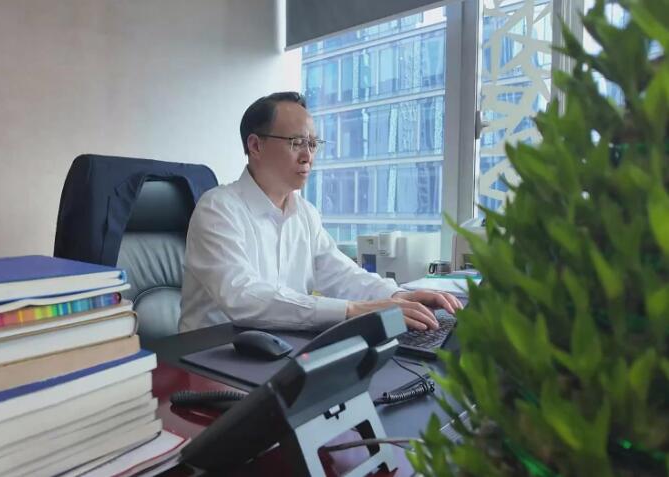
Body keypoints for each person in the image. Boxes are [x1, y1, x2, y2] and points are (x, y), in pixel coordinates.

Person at [179, 92, 462, 333]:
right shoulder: (218, 209)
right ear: (255, 146)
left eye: (312, 144)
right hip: (210, 354)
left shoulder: (305, 213)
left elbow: (342, 275)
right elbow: (243, 297)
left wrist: (398, 295)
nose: (308, 156)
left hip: (279, 347)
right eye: (296, 142)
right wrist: (352, 310)